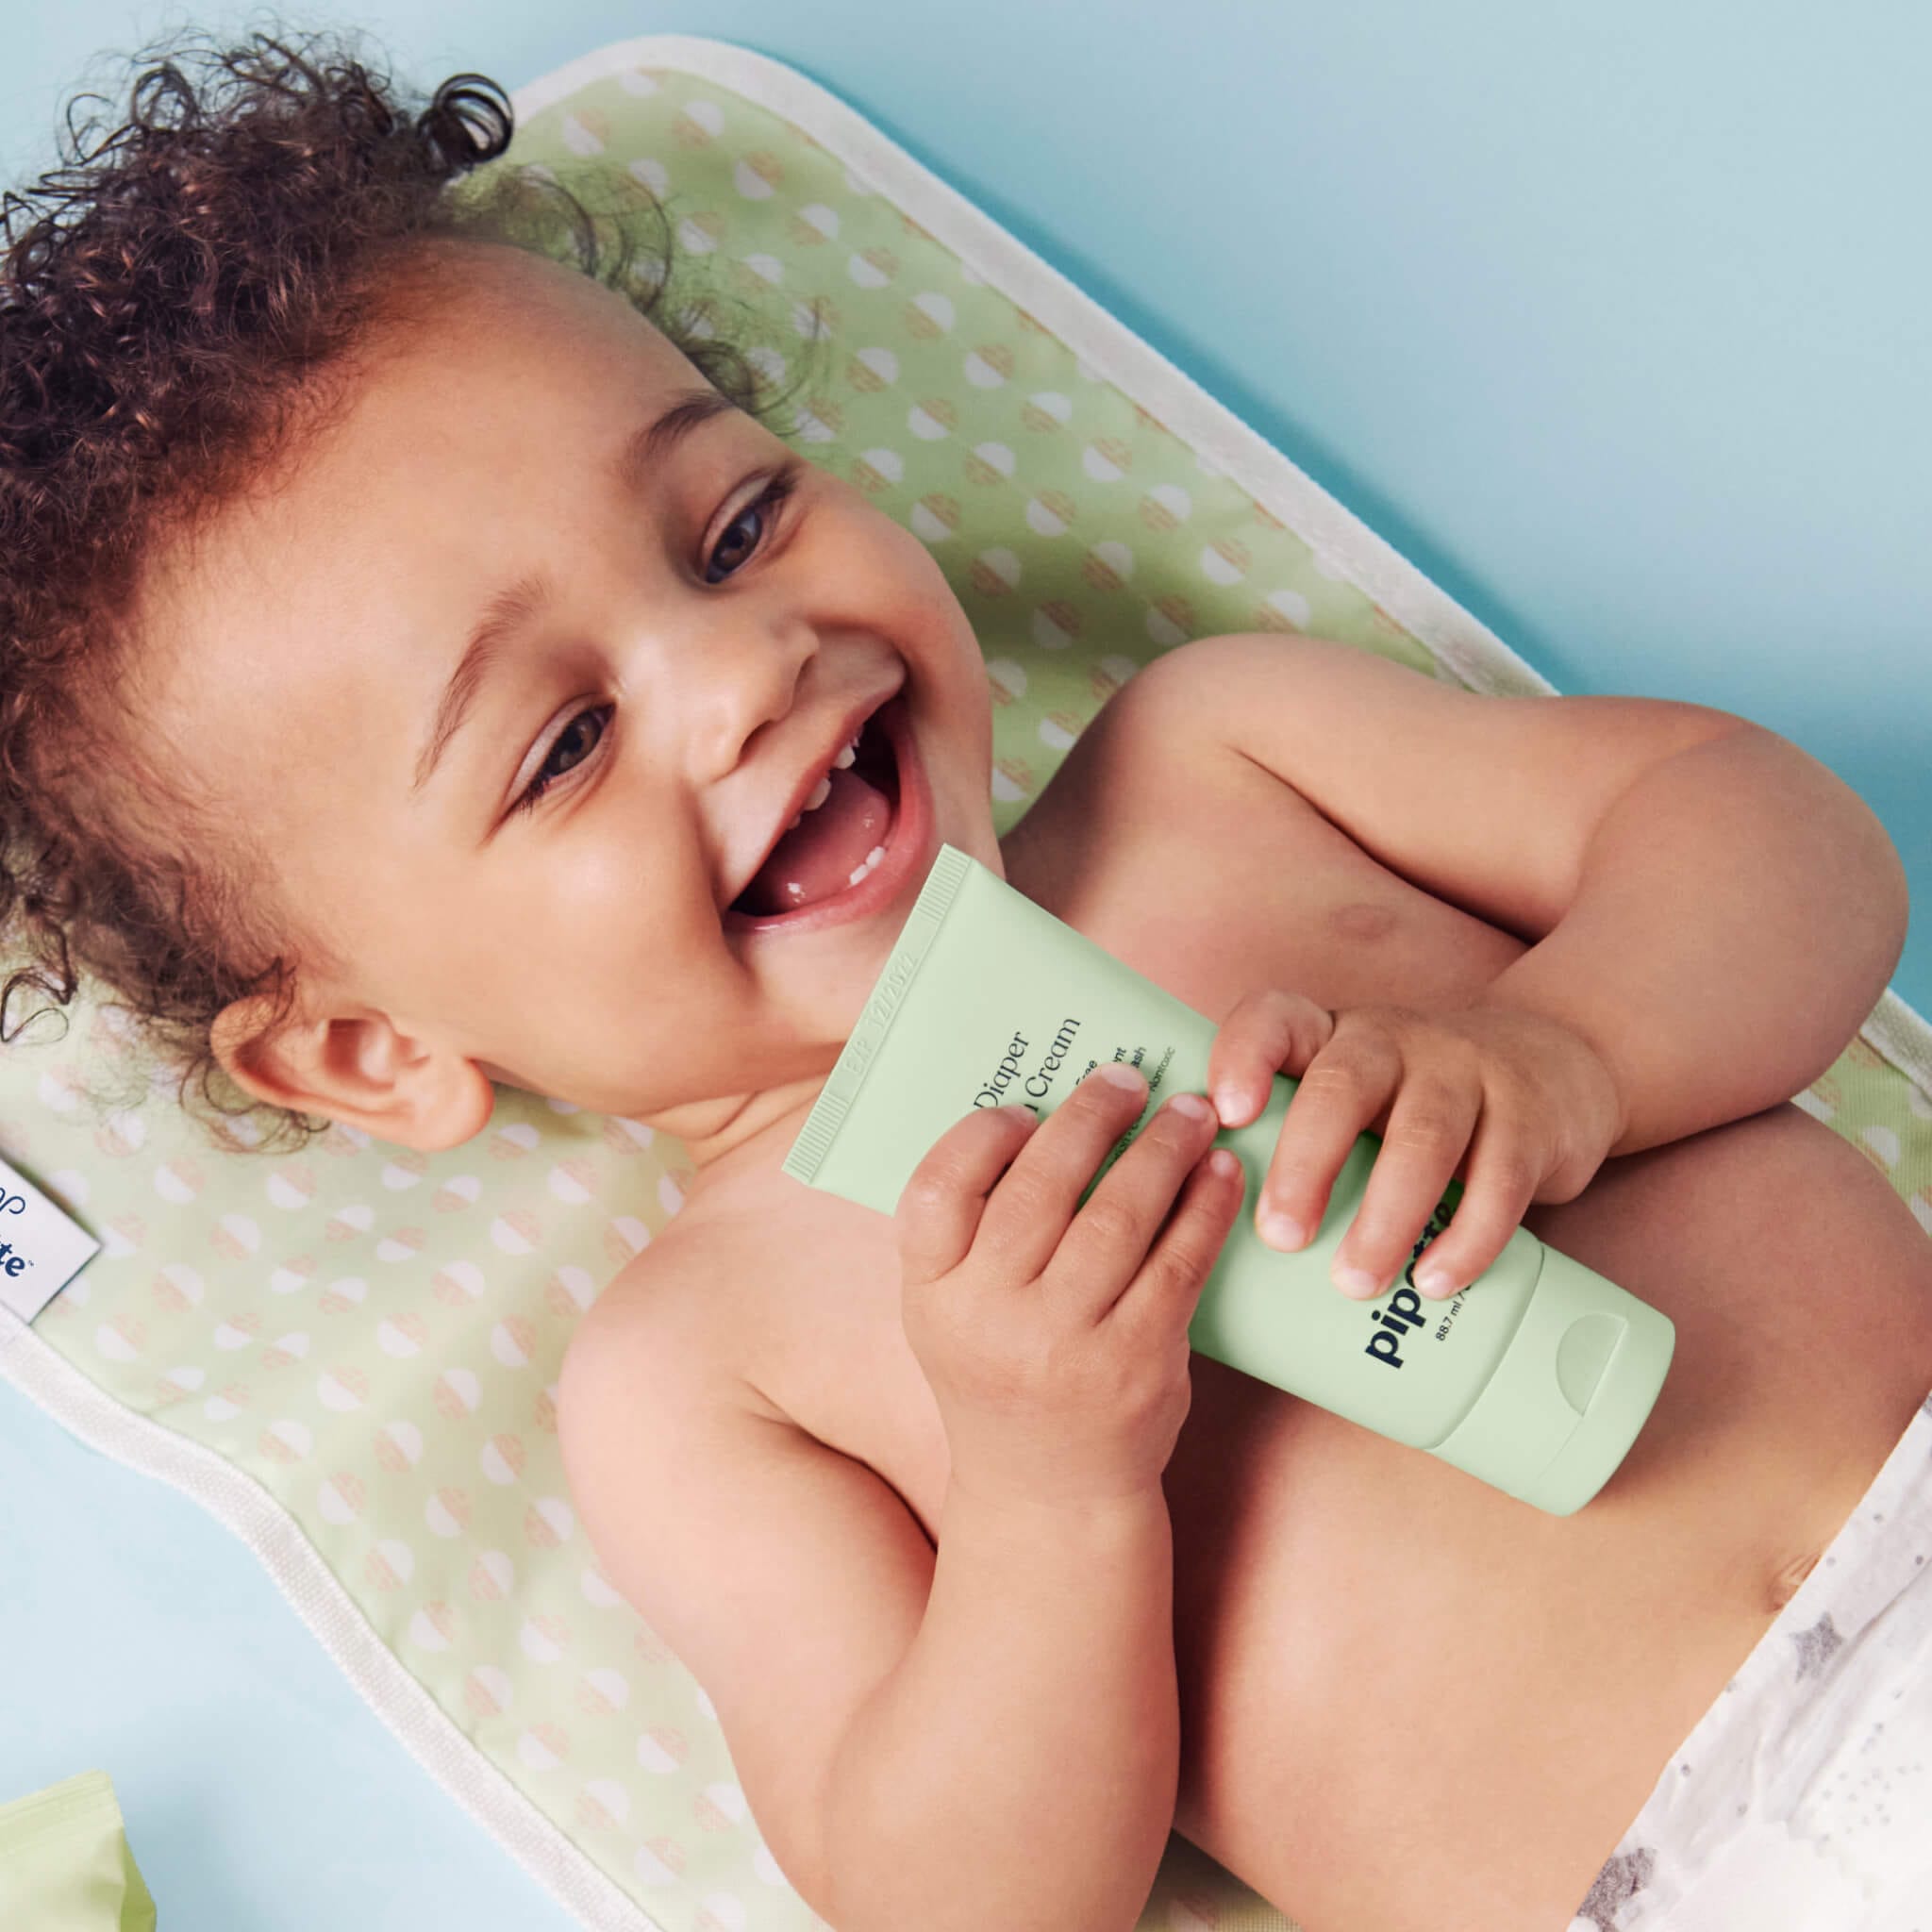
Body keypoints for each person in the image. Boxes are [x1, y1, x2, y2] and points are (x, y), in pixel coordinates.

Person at [5, 29, 1927, 1932]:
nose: (744, 665)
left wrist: (1569, 1047)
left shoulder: (1221, 763)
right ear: (368, 1046)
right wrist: (1050, 1498)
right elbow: (959, 1902)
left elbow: (1766, 833)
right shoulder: (702, 1372)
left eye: (737, 525)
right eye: (563, 740)